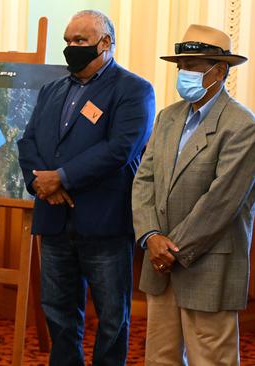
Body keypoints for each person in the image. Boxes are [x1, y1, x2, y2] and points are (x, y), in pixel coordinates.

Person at [17, 10, 155, 365]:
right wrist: (41, 183)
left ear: (105, 43)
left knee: (112, 316)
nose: (72, 48)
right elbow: (27, 142)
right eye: (68, 41)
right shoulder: (51, 90)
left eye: (80, 41)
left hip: (105, 222)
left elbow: (120, 150)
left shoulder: (134, 90)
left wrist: (61, 177)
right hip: (54, 218)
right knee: (58, 311)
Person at [133, 24, 255, 365]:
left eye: (194, 66)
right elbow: (143, 180)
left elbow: (222, 202)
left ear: (219, 71)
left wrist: (170, 249)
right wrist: (150, 236)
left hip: (208, 265)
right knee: (160, 358)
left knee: (211, 359)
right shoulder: (168, 117)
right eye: (181, 66)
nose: (184, 73)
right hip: (160, 265)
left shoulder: (242, 125)